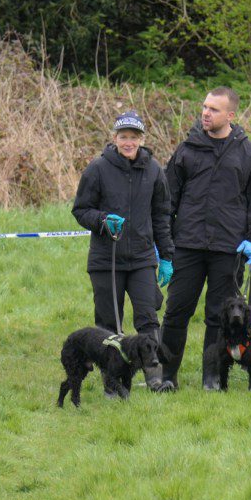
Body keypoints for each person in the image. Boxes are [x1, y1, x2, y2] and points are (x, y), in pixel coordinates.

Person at [159, 86, 251, 391]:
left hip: (229, 249)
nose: (206, 113)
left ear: (230, 115)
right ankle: (165, 375)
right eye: (205, 107)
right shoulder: (187, 149)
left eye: (214, 109)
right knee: (176, 312)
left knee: (218, 317)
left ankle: (212, 379)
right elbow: (166, 200)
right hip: (187, 245)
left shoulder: (249, 153)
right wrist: (165, 243)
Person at [72, 110, 174, 390]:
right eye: (123, 137)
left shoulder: (154, 170)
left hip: (142, 258)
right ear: (114, 138)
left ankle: (155, 379)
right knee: (107, 323)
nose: (128, 142)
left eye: (133, 137)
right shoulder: (97, 168)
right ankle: (112, 384)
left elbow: (162, 215)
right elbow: (81, 210)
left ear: (142, 139)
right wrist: (102, 220)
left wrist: (166, 256)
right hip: (107, 260)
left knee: (148, 317)